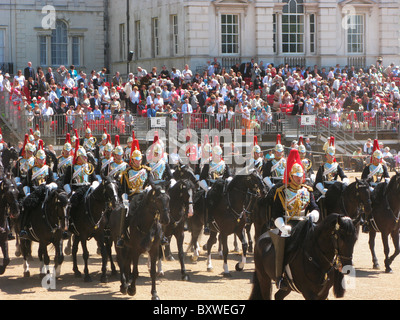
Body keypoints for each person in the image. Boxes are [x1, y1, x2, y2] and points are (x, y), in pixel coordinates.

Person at [271, 148, 319, 290]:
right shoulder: (282, 191)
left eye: (301, 175)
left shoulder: (307, 190)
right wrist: (281, 226)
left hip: (306, 223)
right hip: (288, 224)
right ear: (291, 176)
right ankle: (280, 277)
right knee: (282, 244)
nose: (299, 178)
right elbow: (276, 213)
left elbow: (315, 207)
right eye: (296, 175)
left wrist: (313, 215)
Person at [117, 136, 154, 248]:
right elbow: (123, 188)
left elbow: (152, 182)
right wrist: (125, 199)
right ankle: (122, 235)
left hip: (144, 196)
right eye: (135, 160)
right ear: (132, 160)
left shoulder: (147, 171)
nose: (138, 162)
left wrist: (149, 189)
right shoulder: (126, 172)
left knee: (156, 209)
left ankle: (160, 236)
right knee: (126, 211)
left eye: (139, 160)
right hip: (132, 197)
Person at [19, 140, 58, 237]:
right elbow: (26, 183)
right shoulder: (31, 170)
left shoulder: (48, 169)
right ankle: (23, 228)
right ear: (36, 159)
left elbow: (52, 181)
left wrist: (50, 185)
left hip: (46, 192)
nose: (42, 160)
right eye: (40, 159)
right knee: (26, 206)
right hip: (34, 192)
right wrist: (27, 193)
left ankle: (60, 227)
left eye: (43, 159)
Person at [199, 136, 232, 234]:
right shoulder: (207, 164)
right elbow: (201, 178)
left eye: (219, 154)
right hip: (211, 188)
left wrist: (227, 182)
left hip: (222, 187)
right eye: (216, 154)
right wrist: (207, 188)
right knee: (207, 202)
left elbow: (229, 176)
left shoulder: (224, 164)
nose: (218, 156)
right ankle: (207, 224)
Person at [314, 136, 349, 202]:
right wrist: (322, 190)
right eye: (330, 155)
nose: (332, 157)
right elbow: (318, 180)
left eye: (333, 155)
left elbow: (343, 176)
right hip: (325, 188)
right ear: (326, 155)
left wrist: (345, 182)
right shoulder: (322, 166)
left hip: (335, 187)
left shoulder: (336, 165)